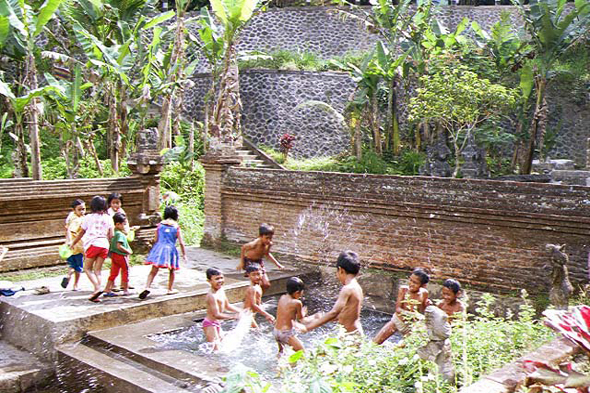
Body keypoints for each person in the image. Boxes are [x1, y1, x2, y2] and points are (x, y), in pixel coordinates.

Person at [304, 251, 364, 334]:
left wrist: (308, 328)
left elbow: (334, 313)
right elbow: (345, 314)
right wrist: (316, 317)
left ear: (341, 270)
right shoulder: (357, 287)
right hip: (354, 332)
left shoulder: (347, 289)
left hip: (351, 336)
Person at [70, 196, 114, 302]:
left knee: (87, 268)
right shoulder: (108, 218)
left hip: (92, 244)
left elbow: (81, 232)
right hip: (104, 245)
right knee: (98, 271)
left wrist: (73, 243)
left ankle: (97, 288)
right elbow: (111, 235)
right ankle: (96, 294)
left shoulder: (88, 217)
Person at [139, 205, 187, 299]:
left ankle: (147, 286)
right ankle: (170, 289)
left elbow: (155, 239)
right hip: (170, 249)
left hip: (159, 248)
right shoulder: (176, 227)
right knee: (171, 270)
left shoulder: (160, 225)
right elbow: (181, 242)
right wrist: (184, 254)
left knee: (153, 270)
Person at [373, 268, 430, 344]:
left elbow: (421, 311)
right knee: (376, 341)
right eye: (410, 280)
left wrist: (427, 305)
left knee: (405, 347)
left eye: (415, 283)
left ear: (423, 285)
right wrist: (411, 314)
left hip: (411, 325)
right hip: (397, 321)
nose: (411, 284)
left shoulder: (424, 293)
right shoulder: (404, 290)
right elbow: (398, 309)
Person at [238, 223, 284, 291]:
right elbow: (243, 248)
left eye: (270, 238)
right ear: (260, 236)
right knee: (256, 282)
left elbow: (267, 254)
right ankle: (252, 296)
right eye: (267, 238)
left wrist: (278, 264)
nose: (269, 240)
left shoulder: (269, 244)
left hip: (259, 262)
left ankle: (259, 296)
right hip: (250, 262)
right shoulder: (255, 243)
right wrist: (242, 263)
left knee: (266, 284)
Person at [203, 268, 240, 350]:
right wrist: (234, 316)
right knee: (215, 350)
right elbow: (217, 315)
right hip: (210, 324)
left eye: (221, 278)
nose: (220, 281)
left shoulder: (221, 290)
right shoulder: (211, 296)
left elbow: (227, 305)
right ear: (209, 281)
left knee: (222, 346)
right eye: (216, 279)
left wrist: (241, 311)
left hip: (217, 322)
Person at [273, 277, 307, 354]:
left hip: (276, 331)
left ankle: (278, 365)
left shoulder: (282, 297)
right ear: (297, 292)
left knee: (281, 353)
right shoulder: (297, 303)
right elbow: (300, 318)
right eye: (302, 292)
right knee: (303, 354)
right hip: (285, 333)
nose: (302, 294)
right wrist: (304, 312)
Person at [103, 213, 133, 297]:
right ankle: (125, 289)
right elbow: (119, 246)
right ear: (118, 224)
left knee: (113, 273)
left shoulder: (114, 233)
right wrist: (128, 251)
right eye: (124, 224)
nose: (125, 226)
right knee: (125, 271)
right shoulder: (120, 234)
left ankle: (107, 288)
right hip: (121, 255)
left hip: (114, 255)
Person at [61, 199, 86, 291]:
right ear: (74, 210)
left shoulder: (70, 217)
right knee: (79, 267)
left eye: (83, 209)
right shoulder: (77, 220)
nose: (82, 211)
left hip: (69, 247)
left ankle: (68, 275)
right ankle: (76, 285)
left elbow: (66, 229)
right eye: (79, 209)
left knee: (72, 265)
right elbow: (72, 231)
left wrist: (67, 241)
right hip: (77, 246)